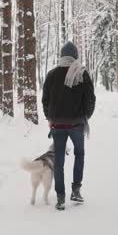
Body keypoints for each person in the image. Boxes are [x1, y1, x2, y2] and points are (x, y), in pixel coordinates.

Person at [42, 41, 96, 211]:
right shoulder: (82, 73)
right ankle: (76, 190)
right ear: (75, 56)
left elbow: (45, 100)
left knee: (58, 161)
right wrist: (85, 116)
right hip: (76, 124)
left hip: (57, 125)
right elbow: (90, 99)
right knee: (79, 154)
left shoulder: (52, 75)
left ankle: (60, 197)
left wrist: (49, 117)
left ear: (62, 55)